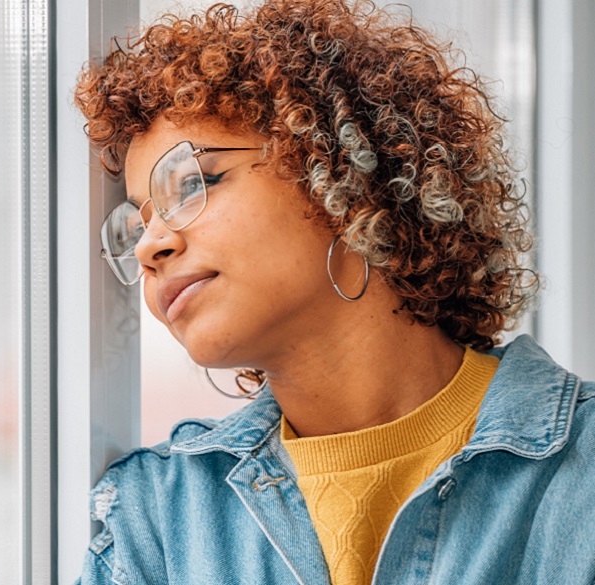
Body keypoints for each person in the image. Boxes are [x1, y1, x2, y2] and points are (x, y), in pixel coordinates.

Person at [72, 1, 595, 583]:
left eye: (193, 182)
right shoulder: (158, 518)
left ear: (342, 171)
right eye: (135, 228)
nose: (149, 247)